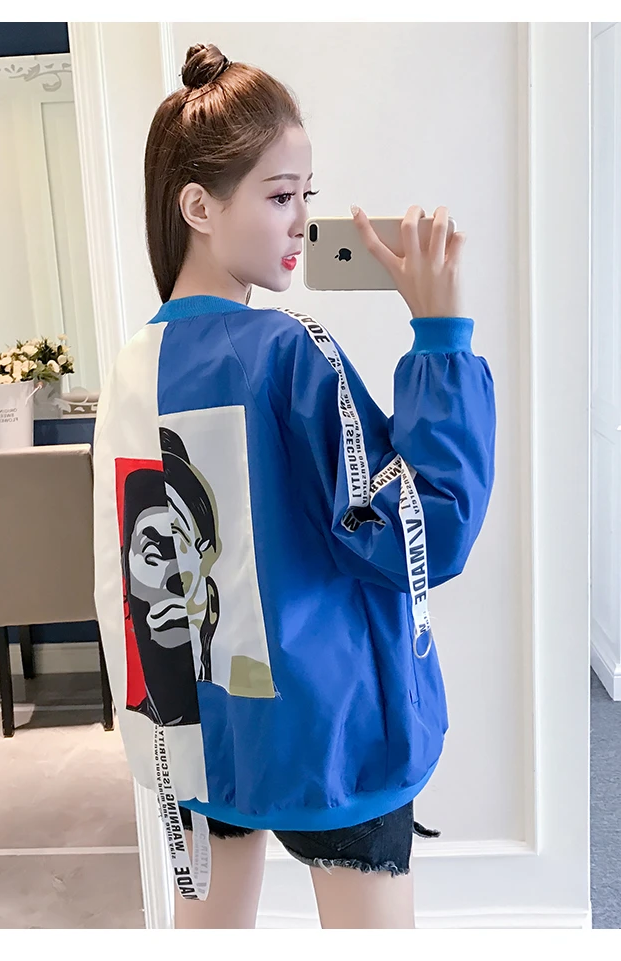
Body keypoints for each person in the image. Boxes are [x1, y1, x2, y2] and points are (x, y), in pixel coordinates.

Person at [92, 41, 496, 929]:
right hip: (329, 738)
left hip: (196, 736)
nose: (302, 224)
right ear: (198, 206)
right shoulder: (288, 353)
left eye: (308, 196)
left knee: (207, 936)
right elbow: (424, 529)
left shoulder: (129, 369)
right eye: (280, 197)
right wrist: (441, 340)